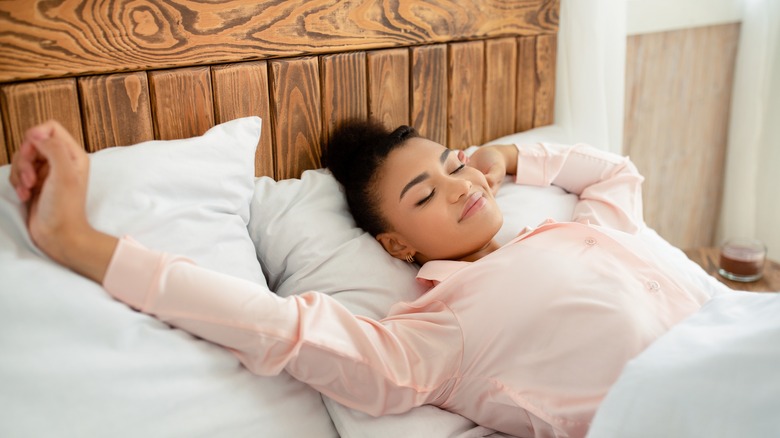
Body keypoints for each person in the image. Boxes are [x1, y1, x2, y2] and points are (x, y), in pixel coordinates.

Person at [10, 119, 710, 438]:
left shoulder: (591, 228)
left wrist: (506, 155)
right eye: (424, 194)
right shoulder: (439, 335)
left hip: (736, 351)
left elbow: (615, 172)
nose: (456, 185)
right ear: (396, 243)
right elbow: (278, 329)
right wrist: (82, 241)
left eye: (451, 164)